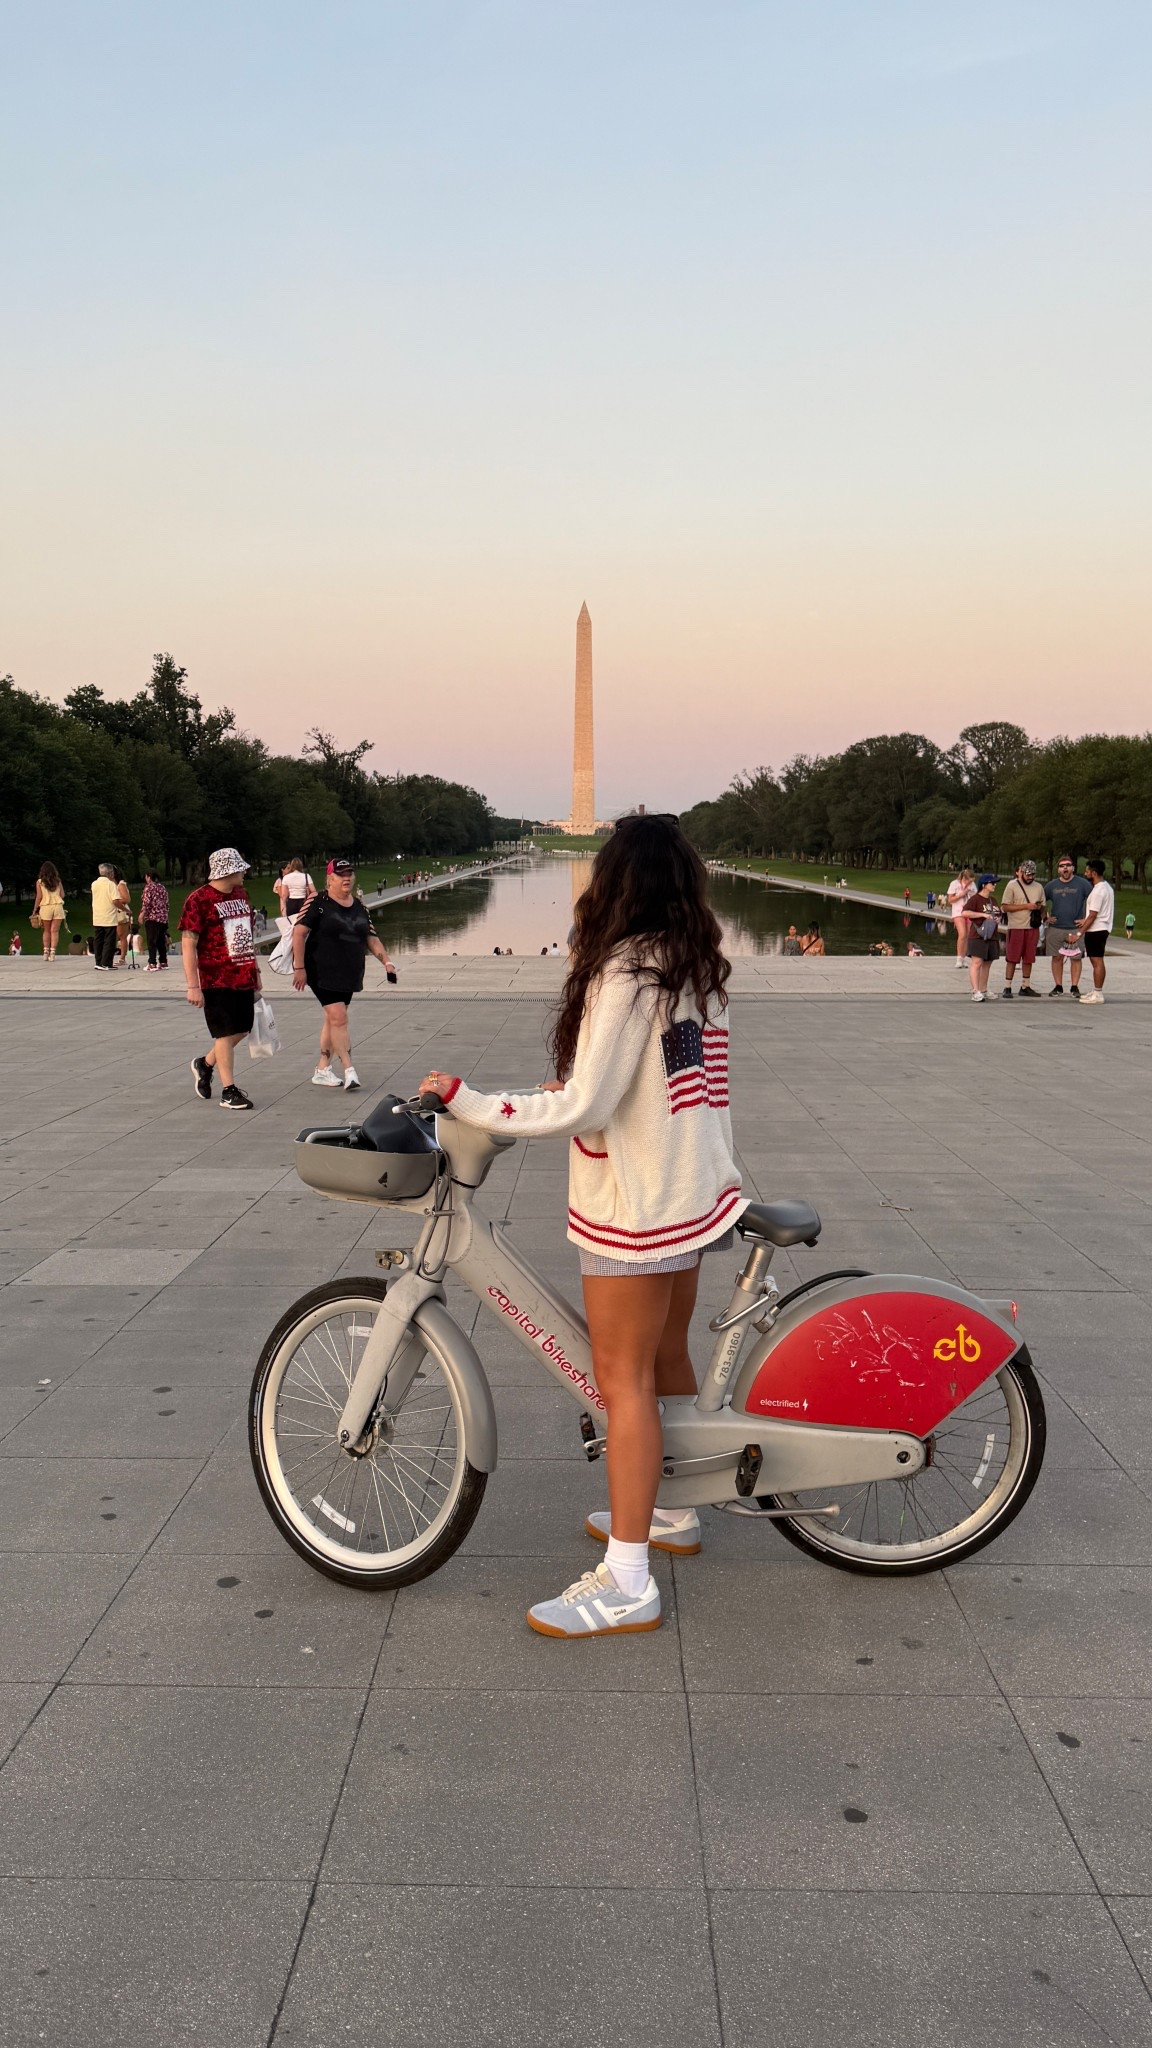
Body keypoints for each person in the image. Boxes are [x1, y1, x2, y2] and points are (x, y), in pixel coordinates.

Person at [417, 814, 745, 1639]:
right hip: (690, 1193)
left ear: (614, 884)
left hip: (637, 1205)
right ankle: (671, 1509)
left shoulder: (627, 972)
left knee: (622, 1382)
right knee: (663, 1360)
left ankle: (628, 1582)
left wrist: (471, 1101)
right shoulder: (694, 966)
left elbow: (587, 1104)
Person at [292, 858, 397, 1090]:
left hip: (349, 971)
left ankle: (322, 1069)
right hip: (320, 969)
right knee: (339, 1017)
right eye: (341, 875)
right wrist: (299, 968)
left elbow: (371, 937)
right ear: (330, 879)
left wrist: (387, 962)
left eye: (349, 874)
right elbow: (298, 933)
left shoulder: (359, 906)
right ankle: (349, 1071)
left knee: (333, 1019)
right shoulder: (318, 901)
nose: (347, 878)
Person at [179, 848, 262, 1111]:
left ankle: (205, 1064)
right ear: (228, 871)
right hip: (215, 978)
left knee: (242, 1029)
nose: (244, 872)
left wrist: (256, 970)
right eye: (240, 868)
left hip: (243, 974)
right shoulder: (199, 900)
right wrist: (193, 985)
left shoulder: (241, 895)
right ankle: (229, 1091)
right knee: (224, 1033)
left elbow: (247, 935)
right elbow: (188, 944)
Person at [1045, 856, 1092, 999]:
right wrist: (1045, 917)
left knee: (1076, 958)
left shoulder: (1083, 884)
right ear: (1058, 870)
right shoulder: (1051, 885)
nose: (1065, 868)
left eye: (1068, 865)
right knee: (1057, 957)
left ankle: (1074, 987)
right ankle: (1058, 986)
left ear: (1073, 868)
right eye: (1062, 866)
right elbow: (1040, 902)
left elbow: (1094, 901)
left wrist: (1086, 919)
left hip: (1075, 928)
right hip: (1056, 927)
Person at [1000, 860, 1045, 999]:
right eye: (1028, 875)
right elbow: (1005, 907)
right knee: (1012, 958)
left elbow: (1043, 906)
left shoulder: (1039, 887)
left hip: (1032, 927)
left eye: (1033, 875)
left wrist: (1040, 911)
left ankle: (1025, 986)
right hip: (1016, 927)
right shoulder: (1012, 885)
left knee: (1029, 958)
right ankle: (1007, 986)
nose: (1030, 877)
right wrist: (1026, 906)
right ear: (1022, 873)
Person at [1077, 859, 1114, 1003]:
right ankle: (1096, 990)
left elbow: (1093, 915)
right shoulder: (1106, 887)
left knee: (1097, 961)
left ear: (1094, 873)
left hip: (1097, 929)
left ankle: (1098, 993)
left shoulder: (1099, 891)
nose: (1085, 873)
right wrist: (1085, 920)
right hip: (1099, 927)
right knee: (1095, 960)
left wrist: (1079, 933)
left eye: (1087, 871)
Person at [963, 874, 1000, 1002]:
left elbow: (997, 913)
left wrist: (997, 919)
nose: (994, 885)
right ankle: (975, 991)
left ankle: (983, 989)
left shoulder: (993, 900)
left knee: (987, 963)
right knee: (977, 962)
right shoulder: (975, 899)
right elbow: (965, 912)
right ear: (984, 885)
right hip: (978, 936)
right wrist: (982, 915)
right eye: (992, 883)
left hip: (992, 935)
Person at [90, 864, 121, 971]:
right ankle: (106, 963)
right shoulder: (111, 884)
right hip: (109, 917)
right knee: (109, 941)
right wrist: (125, 910)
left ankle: (98, 961)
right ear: (110, 873)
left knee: (99, 940)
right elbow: (115, 901)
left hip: (98, 916)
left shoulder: (94, 884)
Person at [32, 862, 66, 959]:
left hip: (46, 907)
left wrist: (35, 909)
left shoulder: (39, 882)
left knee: (46, 930)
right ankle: (52, 953)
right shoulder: (58, 881)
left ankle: (46, 952)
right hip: (58, 907)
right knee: (55, 931)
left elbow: (39, 897)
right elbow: (62, 895)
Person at [139, 869, 170, 971]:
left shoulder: (149, 887)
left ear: (148, 877)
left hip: (152, 917)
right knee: (161, 941)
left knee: (151, 941)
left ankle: (152, 963)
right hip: (162, 918)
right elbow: (166, 903)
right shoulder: (162, 887)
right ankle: (163, 961)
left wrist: (142, 914)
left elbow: (147, 902)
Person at [946, 869, 974, 968]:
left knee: (967, 935)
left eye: (972, 881)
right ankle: (958, 958)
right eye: (969, 881)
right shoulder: (954, 884)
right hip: (958, 911)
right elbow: (950, 900)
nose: (970, 883)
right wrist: (961, 894)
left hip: (969, 911)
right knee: (962, 934)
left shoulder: (972, 885)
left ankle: (963, 958)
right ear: (964, 879)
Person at [275, 859, 316, 924]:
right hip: (303, 902)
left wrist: (284, 906)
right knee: (304, 923)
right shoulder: (306, 876)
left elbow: (284, 895)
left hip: (291, 902)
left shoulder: (286, 877)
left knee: (292, 923)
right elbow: (313, 891)